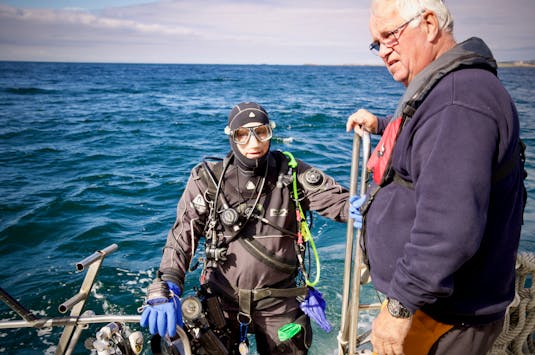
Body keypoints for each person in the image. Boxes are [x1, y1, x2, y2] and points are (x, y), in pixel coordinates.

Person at [346, 1, 526, 354]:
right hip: (435, 307)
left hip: (443, 317)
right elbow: (431, 139)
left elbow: (449, 225)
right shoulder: (454, 92)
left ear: (428, 24)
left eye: (389, 36)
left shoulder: (459, 101)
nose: (383, 51)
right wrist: (382, 125)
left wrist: (399, 305)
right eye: (376, 43)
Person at [140, 102, 350, 354]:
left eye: (261, 132)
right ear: (231, 136)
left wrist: (370, 206)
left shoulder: (293, 174)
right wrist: (169, 283)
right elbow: (182, 235)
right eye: (243, 134)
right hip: (222, 300)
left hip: (279, 302)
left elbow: (337, 201)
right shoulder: (208, 180)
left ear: (270, 132)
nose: (254, 142)